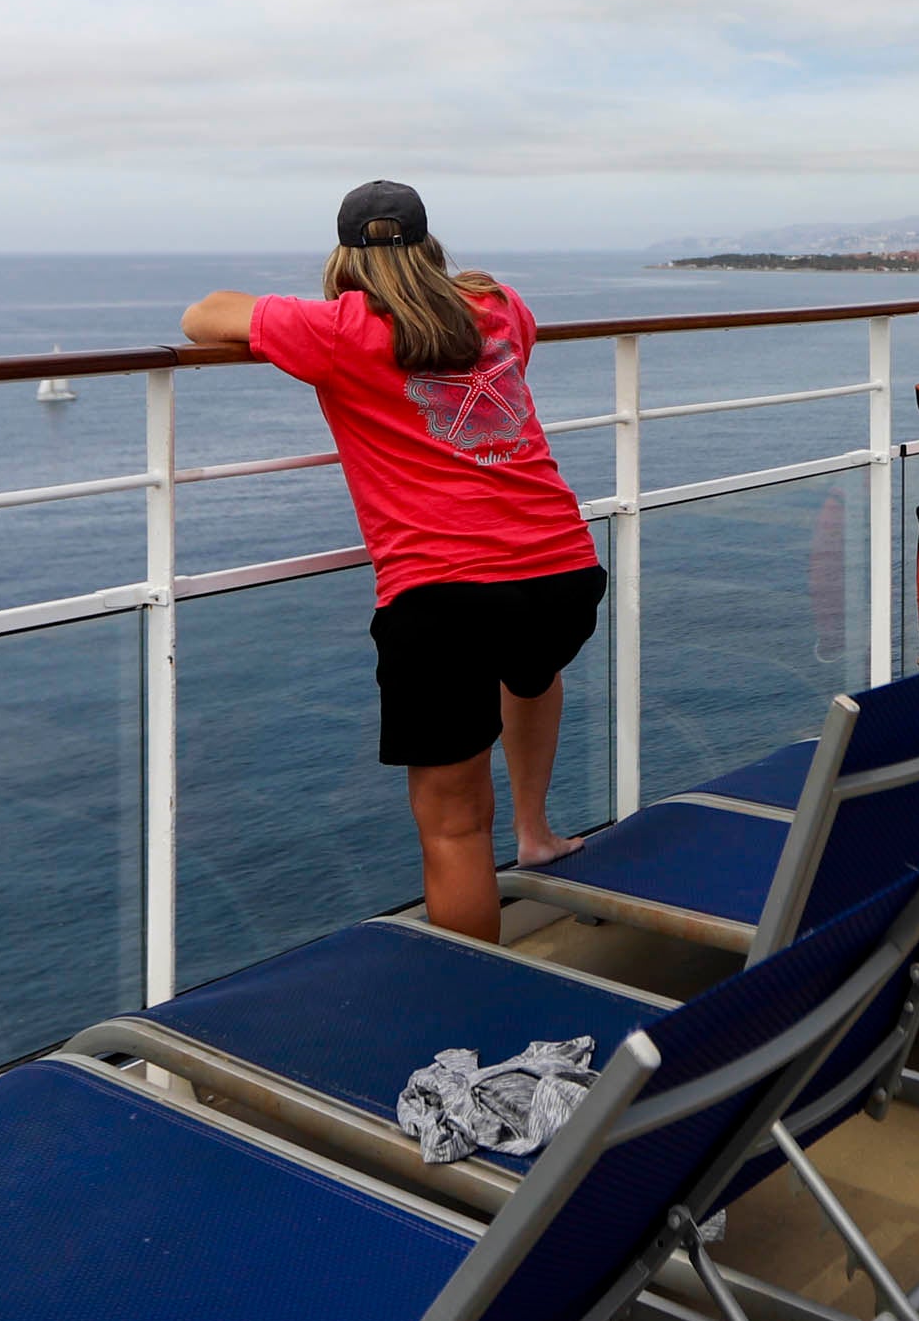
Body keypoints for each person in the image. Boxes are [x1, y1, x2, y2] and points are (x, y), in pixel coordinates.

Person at [181, 181, 603, 939]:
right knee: (529, 667)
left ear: (345, 257)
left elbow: (203, 314)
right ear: (431, 247)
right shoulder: (499, 306)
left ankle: (471, 1018)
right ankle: (536, 832)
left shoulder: (342, 329)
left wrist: (315, 312)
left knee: (455, 826)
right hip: (562, 573)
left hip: (443, 597)